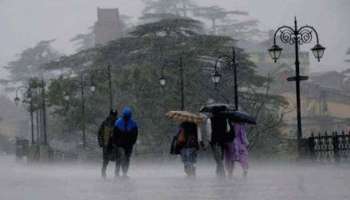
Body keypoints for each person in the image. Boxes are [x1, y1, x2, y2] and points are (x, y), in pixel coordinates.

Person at [112, 107, 138, 178]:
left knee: (125, 158)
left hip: (126, 144)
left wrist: (132, 142)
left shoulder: (120, 122)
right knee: (122, 157)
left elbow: (135, 135)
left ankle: (123, 173)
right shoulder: (120, 122)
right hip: (121, 144)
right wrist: (115, 143)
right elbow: (114, 134)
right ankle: (119, 173)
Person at [206, 112, 233, 178]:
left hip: (215, 141)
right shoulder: (225, 119)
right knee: (220, 158)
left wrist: (209, 140)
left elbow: (209, 131)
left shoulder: (210, 120)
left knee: (218, 158)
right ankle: (219, 172)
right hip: (223, 141)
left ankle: (221, 173)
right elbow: (228, 129)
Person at [97, 110, 118, 179]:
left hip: (115, 144)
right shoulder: (105, 123)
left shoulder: (118, 123)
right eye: (112, 116)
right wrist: (100, 142)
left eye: (114, 116)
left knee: (118, 159)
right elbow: (99, 133)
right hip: (107, 144)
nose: (113, 118)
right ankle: (103, 173)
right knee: (106, 160)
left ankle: (116, 174)